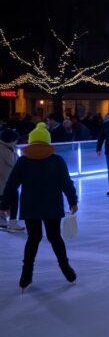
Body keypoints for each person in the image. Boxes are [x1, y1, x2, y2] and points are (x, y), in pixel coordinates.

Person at [0, 123, 78, 290]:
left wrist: (4, 204)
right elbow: (66, 183)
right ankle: (67, 270)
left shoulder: (23, 161)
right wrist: (72, 200)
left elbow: (11, 184)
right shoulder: (57, 161)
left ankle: (25, 275)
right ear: (48, 142)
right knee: (55, 238)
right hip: (52, 206)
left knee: (33, 239)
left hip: (30, 207)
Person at [0, 129, 24, 232]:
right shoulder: (3, 149)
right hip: (4, 182)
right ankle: (6, 221)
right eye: (15, 140)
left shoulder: (9, 148)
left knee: (13, 200)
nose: (17, 142)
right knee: (8, 201)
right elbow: (14, 162)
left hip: (9, 181)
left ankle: (10, 221)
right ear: (11, 140)